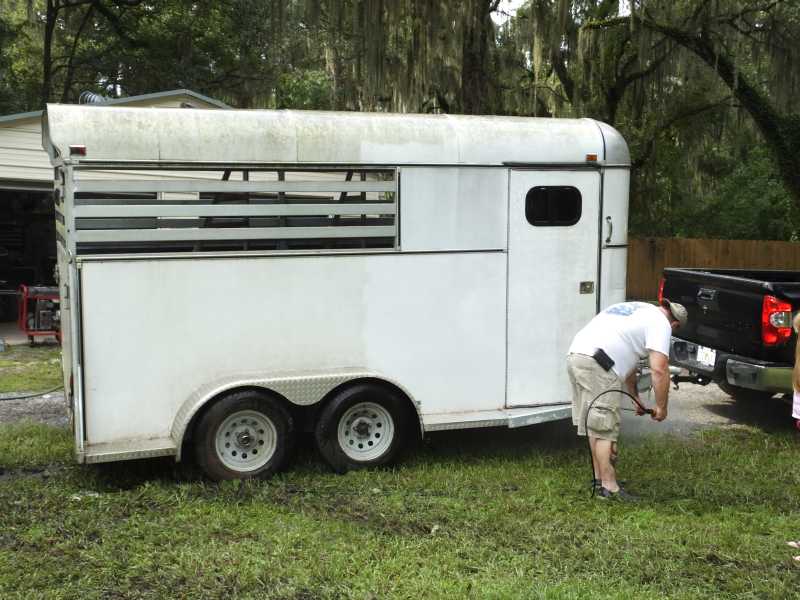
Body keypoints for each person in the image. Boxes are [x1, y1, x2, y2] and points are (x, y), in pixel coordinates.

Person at [566, 299, 688, 501]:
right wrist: (661, 407)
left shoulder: (640, 310)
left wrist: (635, 398)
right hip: (599, 364)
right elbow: (659, 369)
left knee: (595, 424)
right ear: (675, 325)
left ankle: (599, 481)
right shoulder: (661, 324)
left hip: (577, 356)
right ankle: (609, 487)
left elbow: (628, 364)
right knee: (605, 427)